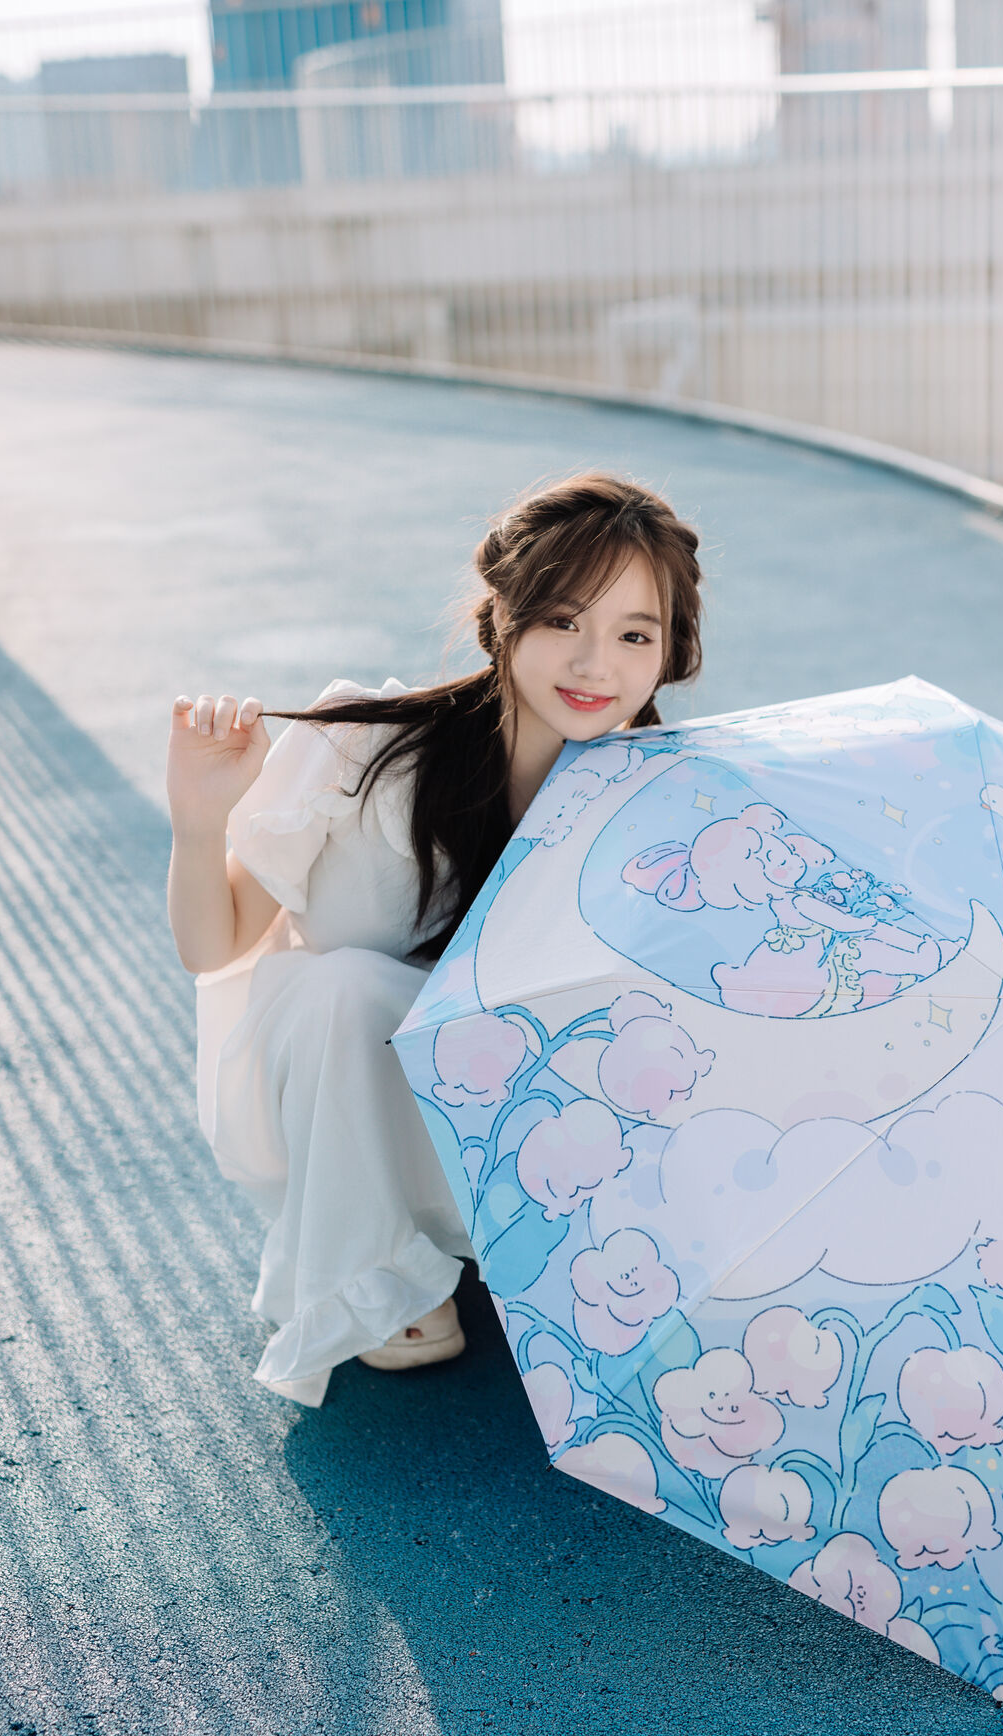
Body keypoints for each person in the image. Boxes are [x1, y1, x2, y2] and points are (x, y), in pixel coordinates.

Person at [166, 471, 704, 1406]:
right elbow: (215, 949)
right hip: (350, 1099)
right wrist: (198, 821)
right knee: (346, 988)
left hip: (522, 1121)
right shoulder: (367, 748)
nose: (594, 665)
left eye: (634, 635)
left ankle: (537, 1246)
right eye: (563, 620)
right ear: (504, 619)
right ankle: (376, 1270)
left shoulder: (661, 804)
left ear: (670, 651)